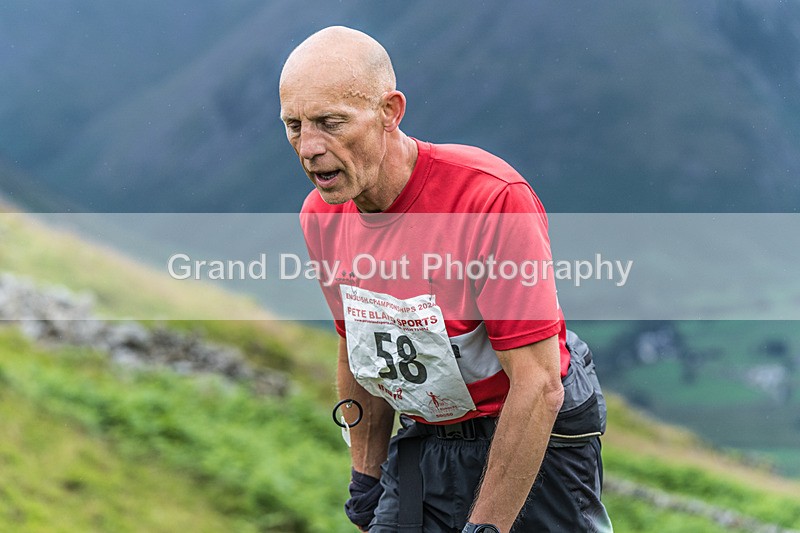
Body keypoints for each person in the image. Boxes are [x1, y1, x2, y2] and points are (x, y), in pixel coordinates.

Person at [279, 26, 612, 533]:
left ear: (390, 112)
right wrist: (365, 478)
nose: (309, 147)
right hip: (429, 433)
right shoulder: (321, 216)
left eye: (330, 123)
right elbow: (361, 350)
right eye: (294, 125)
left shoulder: (490, 199)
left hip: (532, 431)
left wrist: (488, 528)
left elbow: (539, 385)